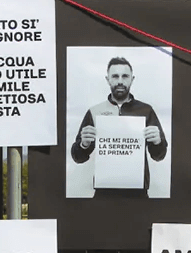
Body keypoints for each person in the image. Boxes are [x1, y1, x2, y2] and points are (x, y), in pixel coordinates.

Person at [70, 56, 168, 199]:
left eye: (125, 76)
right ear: (107, 79)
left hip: (138, 193)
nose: (120, 81)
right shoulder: (95, 111)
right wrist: (84, 145)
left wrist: (158, 142)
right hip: (104, 192)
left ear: (132, 79)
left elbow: (159, 155)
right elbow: (77, 157)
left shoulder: (146, 111)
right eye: (115, 76)